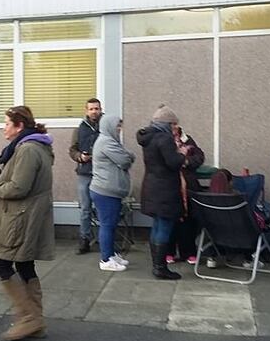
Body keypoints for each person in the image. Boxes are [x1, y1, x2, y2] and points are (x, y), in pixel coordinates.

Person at [0, 106, 54, 341]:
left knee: (2, 265)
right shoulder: (30, 147)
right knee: (25, 266)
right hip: (24, 216)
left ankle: (29, 318)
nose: (3, 128)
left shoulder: (28, 149)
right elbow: (16, 181)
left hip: (20, 218)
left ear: (19, 126)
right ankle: (35, 321)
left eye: (6, 123)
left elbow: (19, 187)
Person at [136, 104, 186, 280]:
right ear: (167, 124)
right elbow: (172, 162)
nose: (176, 128)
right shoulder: (164, 139)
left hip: (152, 186)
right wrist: (182, 153)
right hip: (165, 189)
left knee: (157, 225)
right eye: (174, 124)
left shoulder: (148, 138)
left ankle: (157, 264)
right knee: (164, 226)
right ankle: (161, 267)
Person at [89, 114, 136, 271]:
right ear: (109, 126)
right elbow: (125, 160)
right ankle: (106, 260)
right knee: (107, 225)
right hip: (105, 191)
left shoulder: (111, 142)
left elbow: (126, 156)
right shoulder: (106, 142)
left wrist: (127, 155)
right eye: (117, 125)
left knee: (111, 225)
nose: (119, 128)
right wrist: (128, 156)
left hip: (110, 191)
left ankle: (111, 254)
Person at [167, 125, 205, 265]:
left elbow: (200, 157)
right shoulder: (163, 141)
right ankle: (169, 252)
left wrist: (186, 161)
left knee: (189, 219)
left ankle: (188, 252)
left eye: (175, 126)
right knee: (171, 220)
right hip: (170, 185)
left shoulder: (188, 140)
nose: (174, 130)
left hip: (188, 185)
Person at [68, 98, 102, 255]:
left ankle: (104, 240)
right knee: (85, 209)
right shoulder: (79, 129)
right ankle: (84, 240)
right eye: (91, 109)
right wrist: (80, 157)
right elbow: (72, 150)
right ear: (86, 110)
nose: (94, 111)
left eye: (97, 108)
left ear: (101, 109)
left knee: (102, 209)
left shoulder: (105, 126)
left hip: (102, 173)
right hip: (84, 173)